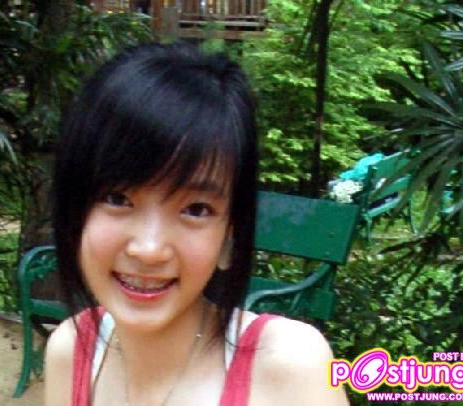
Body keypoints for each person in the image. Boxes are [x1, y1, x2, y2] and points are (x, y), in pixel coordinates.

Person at [44, 42, 348, 406]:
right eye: (117, 198)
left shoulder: (290, 369)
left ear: (229, 233)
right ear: (74, 210)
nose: (149, 249)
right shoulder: (72, 351)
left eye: (196, 209)